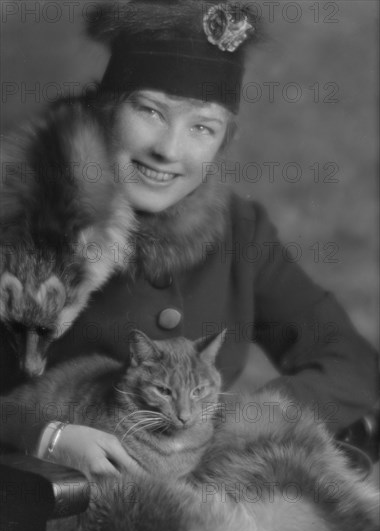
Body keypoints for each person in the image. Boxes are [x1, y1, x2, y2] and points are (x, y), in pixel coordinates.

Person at [0, 0, 378, 479]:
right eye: (151, 111)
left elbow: (350, 359)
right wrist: (42, 436)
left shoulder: (241, 228)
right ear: (104, 110)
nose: (169, 150)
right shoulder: (18, 213)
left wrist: (243, 423)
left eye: (202, 126)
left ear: (223, 143)